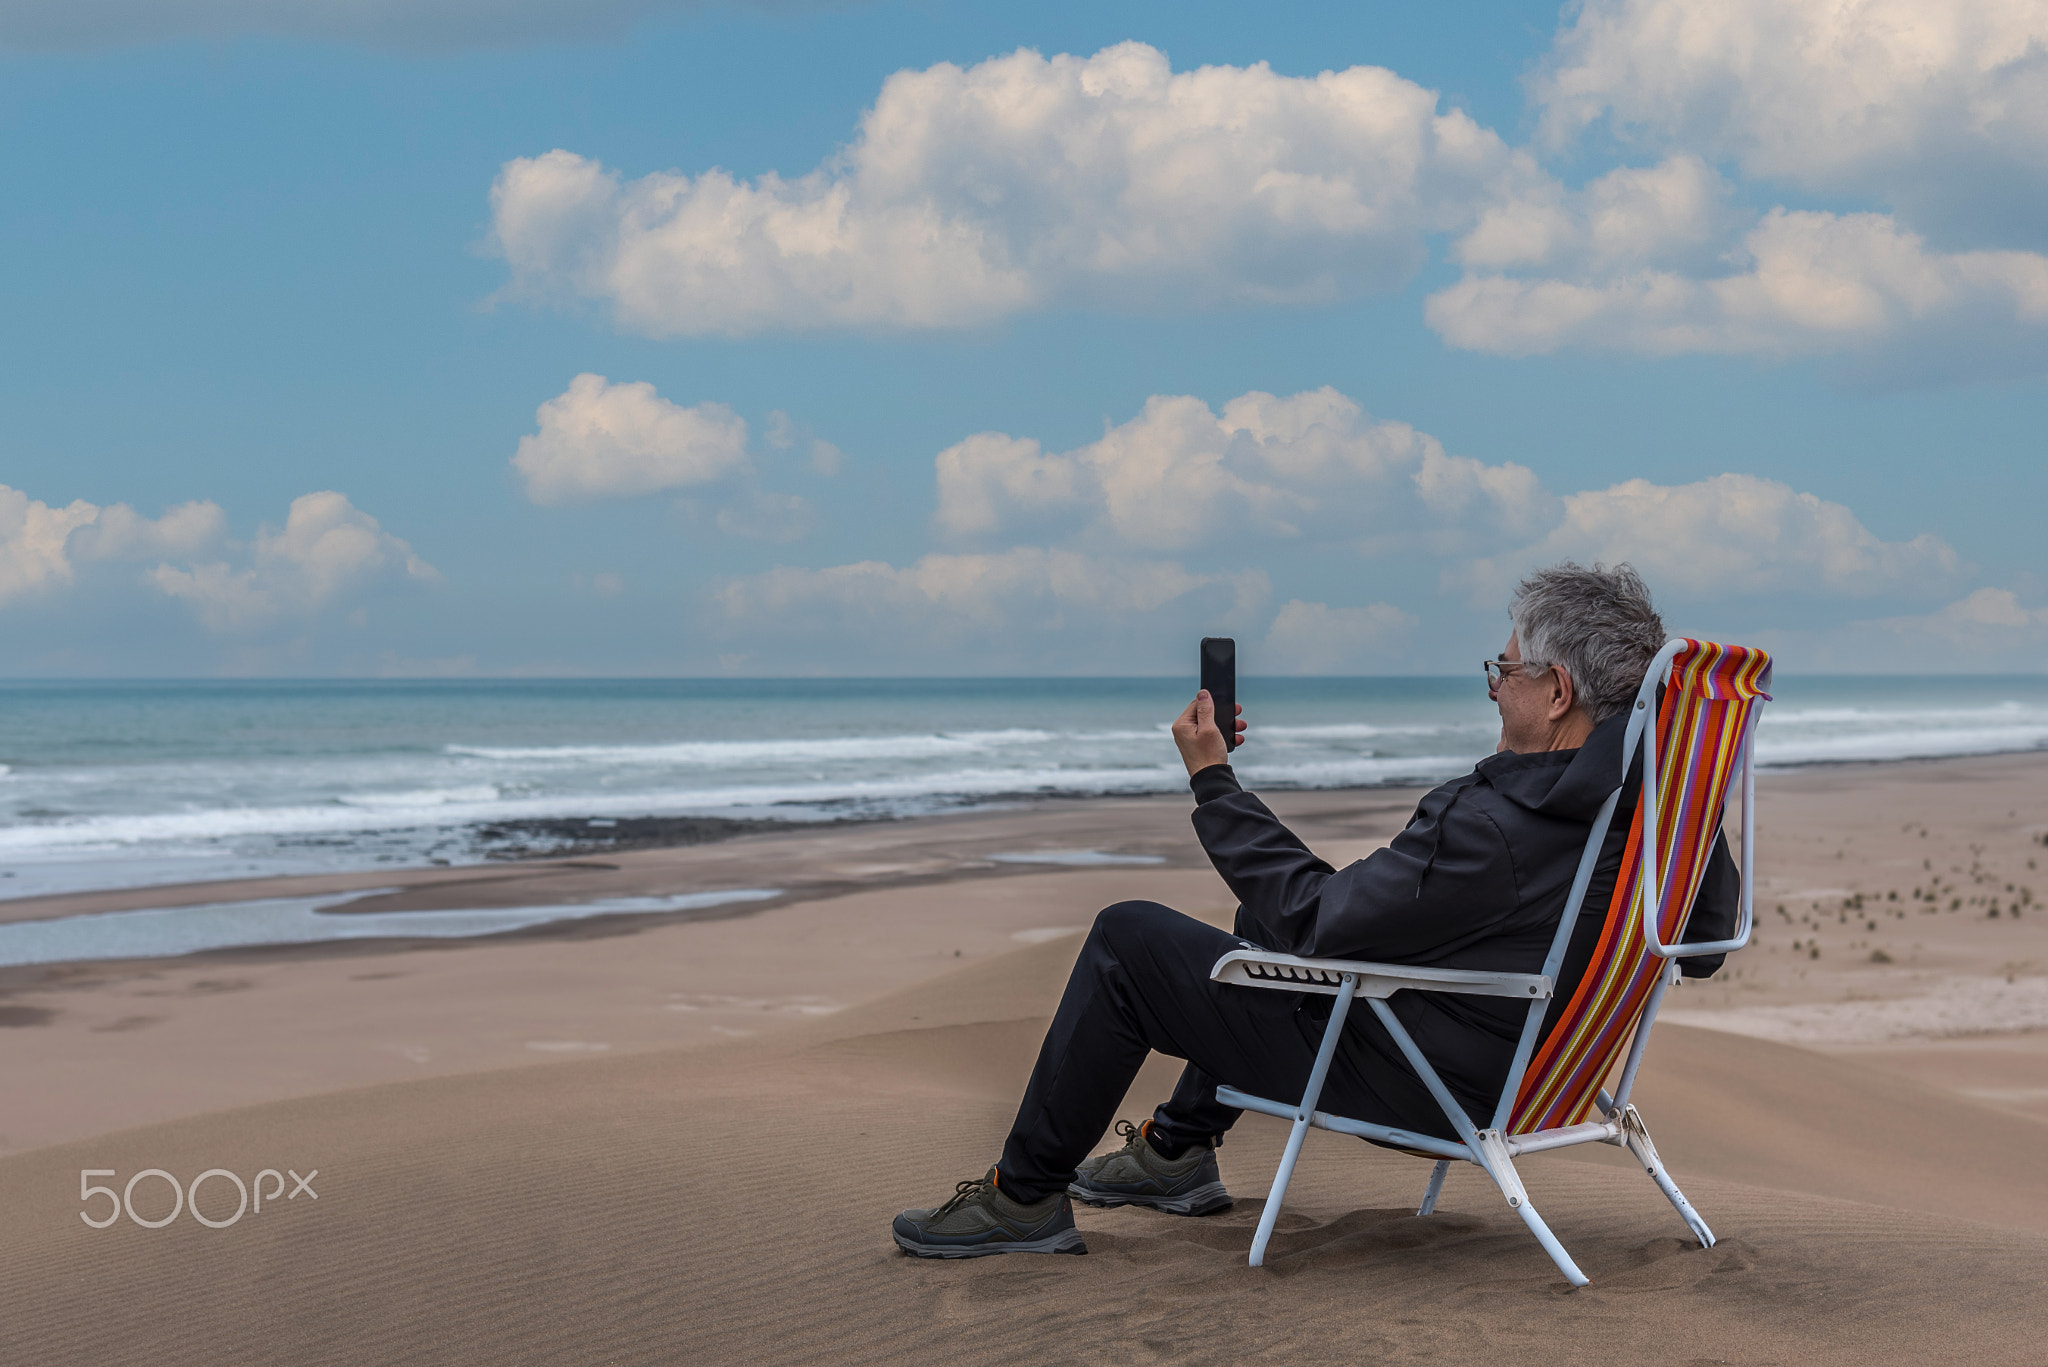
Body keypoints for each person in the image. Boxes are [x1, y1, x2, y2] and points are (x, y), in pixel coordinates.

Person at [891, 563, 1737, 1258]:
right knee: (1261, 922)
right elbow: (1700, 950)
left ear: (1557, 691)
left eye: (1504, 671)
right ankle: (1178, 1151)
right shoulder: (1662, 811)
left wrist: (1214, 781)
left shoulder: (1494, 823)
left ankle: (1022, 1197)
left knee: (1128, 938)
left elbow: (1320, 918)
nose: (1493, 690)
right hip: (1538, 1074)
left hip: (1423, 1083)